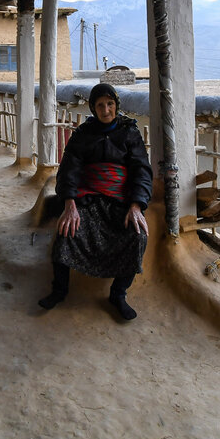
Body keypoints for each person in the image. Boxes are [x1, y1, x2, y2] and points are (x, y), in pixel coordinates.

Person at [38, 83, 153, 320]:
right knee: (66, 232)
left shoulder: (129, 133)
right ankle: (59, 290)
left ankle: (118, 294)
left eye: (110, 104)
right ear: (93, 108)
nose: (106, 110)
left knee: (137, 235)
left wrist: (136, 206)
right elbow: (68, 171)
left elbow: (142, 171)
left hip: (119, 201)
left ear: (116, 105)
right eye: (100, 105)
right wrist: (70, 205)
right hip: (87, 199)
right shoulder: (82, 135)